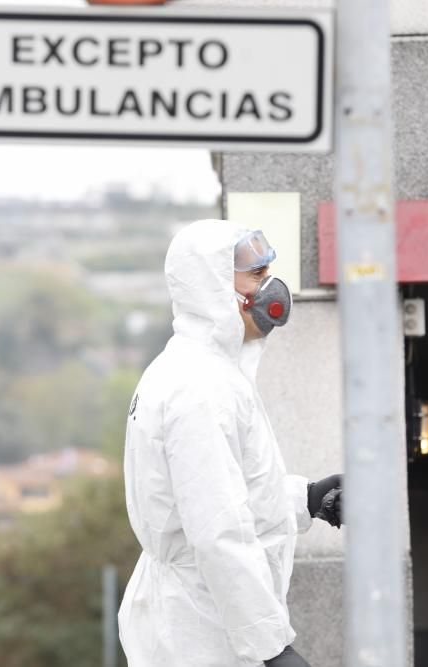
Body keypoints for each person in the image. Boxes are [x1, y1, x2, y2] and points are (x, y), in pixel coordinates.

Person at [118, 221, 344, 667]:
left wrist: (307, 498)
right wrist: (272, 648)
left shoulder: (202, 371)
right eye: (257, 278)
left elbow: (222, 494)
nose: (271, 290)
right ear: (214, 287)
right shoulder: (200, 388)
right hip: (201, 633)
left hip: (205, 623)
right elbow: (216, 529)